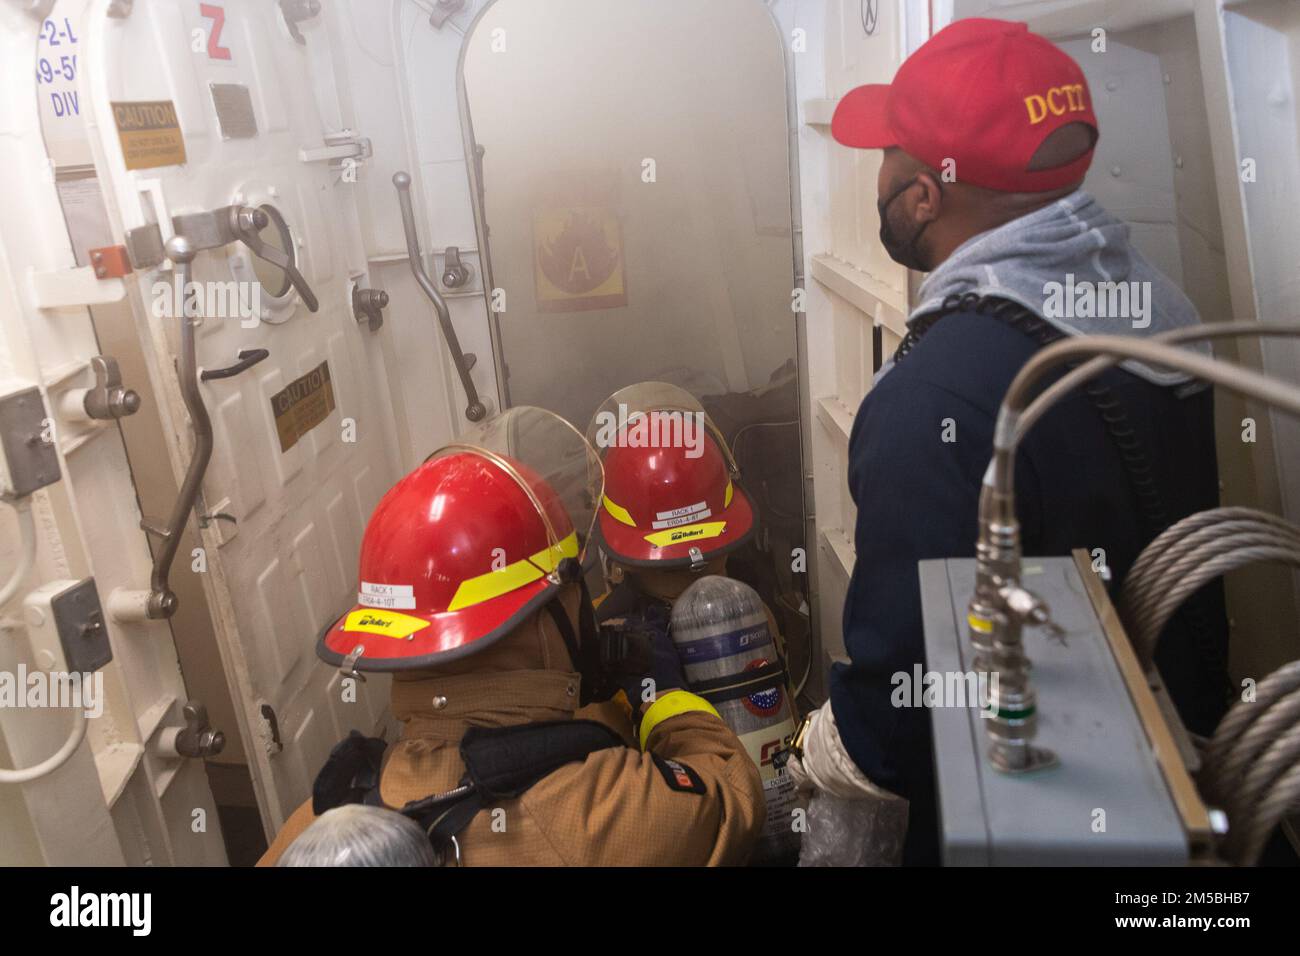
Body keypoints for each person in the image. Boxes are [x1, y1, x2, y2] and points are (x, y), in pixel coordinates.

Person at [789, 18, 1228, 865]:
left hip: (1022, 819)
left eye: (887, 154)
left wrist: (818, 752)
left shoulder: (930, 400)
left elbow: (899, 726)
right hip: (1168, 776)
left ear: (922, 195)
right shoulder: (1160, 307)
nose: (874, 174)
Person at [258, 409, 764, 867]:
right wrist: (666, 700)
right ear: (545, 623)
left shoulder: (319, 824)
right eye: (570, 593)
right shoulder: (607, 813)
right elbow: (734, 793)